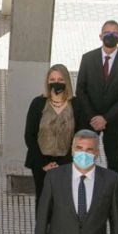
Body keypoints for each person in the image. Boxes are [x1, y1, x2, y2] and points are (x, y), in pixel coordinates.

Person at [76, 20, 118, 185]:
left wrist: (105, 118)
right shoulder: (88, 58)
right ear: (100, 36)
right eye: (107, 32)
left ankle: (115, 200)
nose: (110, 35)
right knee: (84, 157)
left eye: (114, 33)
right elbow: (80, 90)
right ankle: (82, 190)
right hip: (88, 119)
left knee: (114, 160)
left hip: (114, 121)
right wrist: (94, 117)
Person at [24, 64, 89, 200]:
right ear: (47, 81)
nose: (56, 83)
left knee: (63, 200)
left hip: (67, 162)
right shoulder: (38, 103)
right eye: (52, 79)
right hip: (41, 161)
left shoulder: (77, 105)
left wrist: (63, 163)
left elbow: (81, 136)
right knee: (42, 199)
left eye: (60, 79)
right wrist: (43, 163)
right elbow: (30, 135)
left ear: (67, 81)